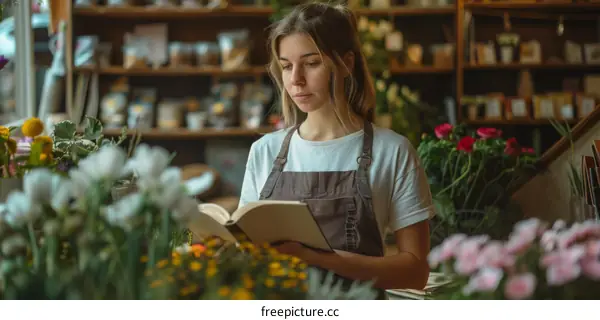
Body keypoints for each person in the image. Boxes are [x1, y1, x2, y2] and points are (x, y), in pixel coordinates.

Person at [238, 2, 435, 297]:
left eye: (312, 62)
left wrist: (315, 258)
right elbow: (245, 252)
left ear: (346, 63)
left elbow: (415, 272)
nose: (296, 80)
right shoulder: (264, 152)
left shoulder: (392, 151)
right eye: (287, 66)